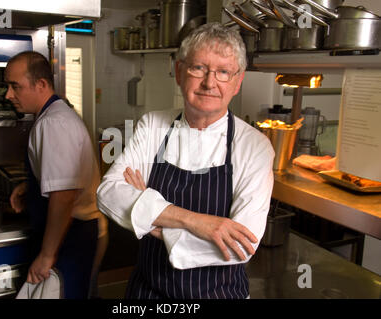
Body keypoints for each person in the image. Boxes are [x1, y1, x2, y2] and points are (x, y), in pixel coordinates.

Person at [96, 23, 274, 299]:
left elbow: (241, 245)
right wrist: (197, 222)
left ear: (238, 82)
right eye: (198, 68)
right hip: (147, 292)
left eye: (223, 72)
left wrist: (150, 217)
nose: (209, 83)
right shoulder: (152, 124)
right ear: (179, 72)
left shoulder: (255, 146)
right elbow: (109, 193)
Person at [5, 51, 108, 299]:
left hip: (73, 237)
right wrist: (32, 186)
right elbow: (65, 176)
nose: (8, 95)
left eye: (14, 86)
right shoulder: (56, 115)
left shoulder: (54, 124)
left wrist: (46, 255)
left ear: (41, 84)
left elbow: (63, 195)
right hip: (74, 233)